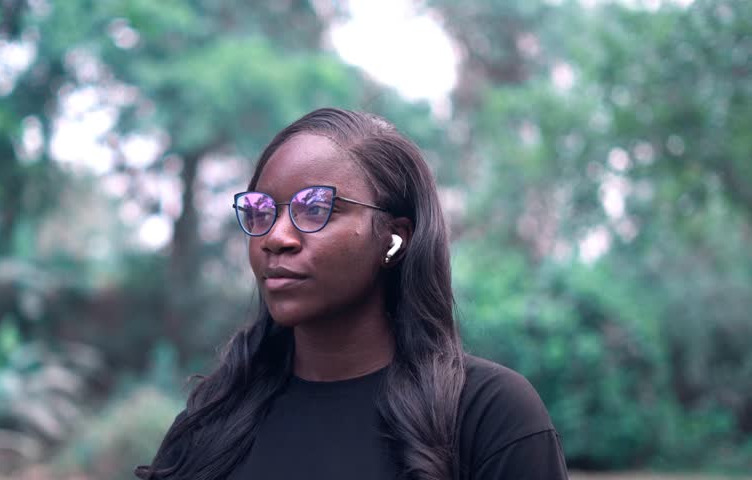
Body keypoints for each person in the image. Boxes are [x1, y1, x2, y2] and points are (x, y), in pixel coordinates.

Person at [135, 108, 568, 480]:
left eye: (316, 209)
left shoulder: (488, 415)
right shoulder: (212, 421)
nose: (275, 237)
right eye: (261, 211)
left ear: (393, 238)